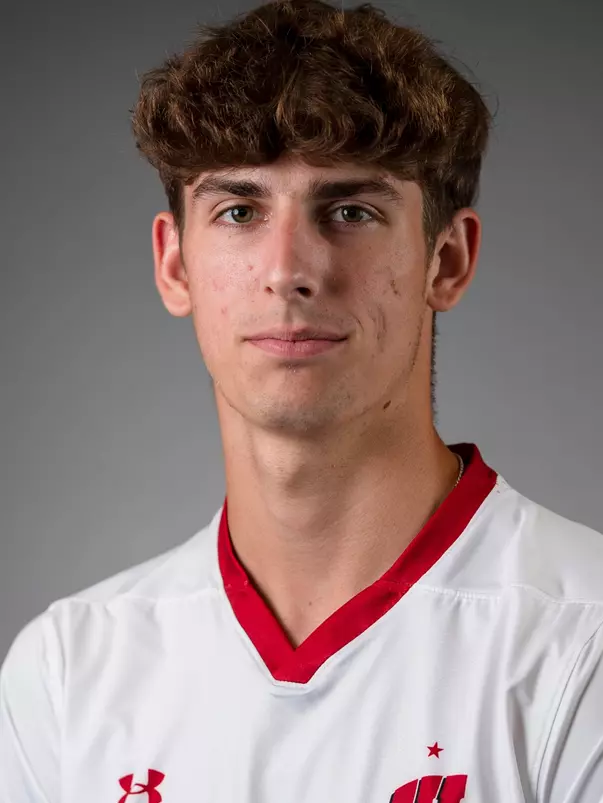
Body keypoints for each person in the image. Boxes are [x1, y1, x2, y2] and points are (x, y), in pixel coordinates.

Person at [1, 0, 602, 800]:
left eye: (350, 211)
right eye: (239, 211)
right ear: (174, 264)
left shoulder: (579, 643)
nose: (288, 268)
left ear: (446, 261)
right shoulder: (69, 669)